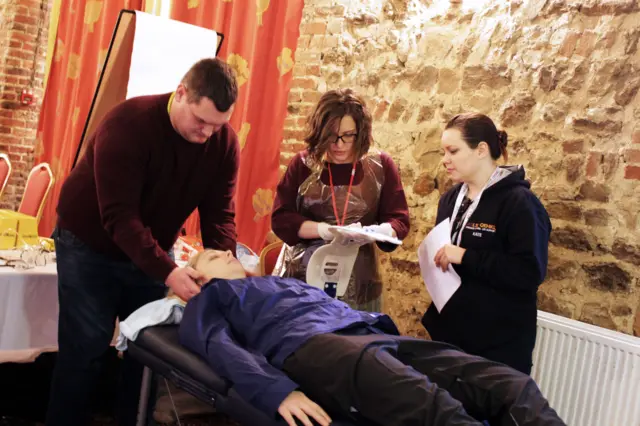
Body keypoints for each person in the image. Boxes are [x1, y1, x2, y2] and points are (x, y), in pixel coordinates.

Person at [46, 58, 240, 426]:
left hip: (150, 246)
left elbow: (219, 213)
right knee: (85, 350)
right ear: (181, 93)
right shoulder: (128, 124)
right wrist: (168, 272)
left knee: (146, 354)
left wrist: (224, 262)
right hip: (88, 243)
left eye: (218, 125)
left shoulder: (222, 143)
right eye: (201, 121)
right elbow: (119, 217)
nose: (207, 134)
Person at [179, 248, 566, 426]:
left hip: (369, 332)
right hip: (317, 348)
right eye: (213, 256)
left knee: (508, 384)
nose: (227, 254)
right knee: (437, 409)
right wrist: (278, 392)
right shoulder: (212, 298)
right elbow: (220, 346)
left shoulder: (274, 281)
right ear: (197, 276)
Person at [421, 112, 551, 375]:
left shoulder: (520, 203)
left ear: (481, 150)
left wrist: (465, 256)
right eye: (443, 152)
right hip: (451, 334)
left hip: (498, 344)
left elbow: (528, 272)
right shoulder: (449, 199)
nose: (445, 160)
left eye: (453, 151)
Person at [271, 88, 410, 312]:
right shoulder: (304, 164)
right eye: (331, 136)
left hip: (361, 283)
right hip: (302, 281)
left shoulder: (380, 165)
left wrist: (376, 232)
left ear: (360, 132)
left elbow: (399, 220)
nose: (339, 145)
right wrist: (324, 230)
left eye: (348, 135)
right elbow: (281, 218)